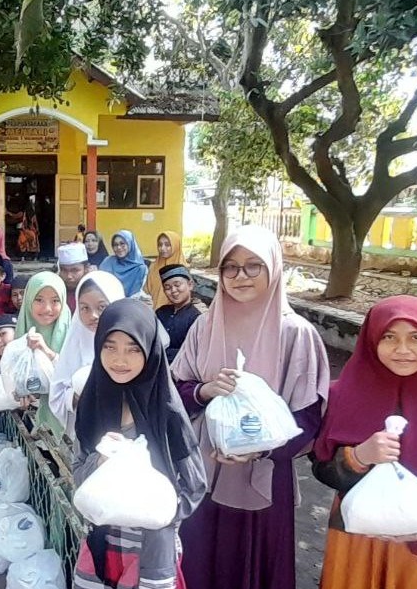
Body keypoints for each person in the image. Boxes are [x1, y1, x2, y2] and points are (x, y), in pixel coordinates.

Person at [171, 225, 330, 589]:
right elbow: (175, 390)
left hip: (264, 477)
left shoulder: (295, 333)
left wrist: (259, 449)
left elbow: (308, 416)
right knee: (200, 563)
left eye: (253, 265)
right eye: (230, 266)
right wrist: (205, 390)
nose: (240, 275)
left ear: (273, 267)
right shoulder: (205, 327)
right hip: (203, 472)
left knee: (253, 567)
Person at [72, 299, 207, 589]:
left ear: (150, 349)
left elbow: (194, 485)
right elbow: (78, 472)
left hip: (152, 550)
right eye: (110, 347)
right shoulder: (93, 406)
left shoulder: (166, 412)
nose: (120, 360)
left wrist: (159, 513)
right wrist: (100, 461)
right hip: (101, 541)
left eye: (133, 349)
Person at [312, 295, 417, 588]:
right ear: (371, 339)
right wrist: (358, 457)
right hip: (358, 540)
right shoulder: (343, 395)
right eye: (388, 336)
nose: (402, 350)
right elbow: (322, 468)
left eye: (416, 337)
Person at [50, 271, 125, 440]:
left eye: (102, 307)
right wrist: (78, 394)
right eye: (85, 308)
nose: (93, 316)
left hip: (125, 433)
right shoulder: (75, 343)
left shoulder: (131, 344)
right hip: (86, 431)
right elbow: (57, 393)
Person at [15, 272, 71, 437]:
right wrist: (20, 390)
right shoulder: (21, 335)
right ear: (28, 301)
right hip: (37, 422)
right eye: (39, 300)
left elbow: (73, 374)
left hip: (69, 424)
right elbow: (14, 378)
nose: (47, 309)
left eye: (55, 301)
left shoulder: (73, 333)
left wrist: (47, 352)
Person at [155, 265, 201, 362]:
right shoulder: (160, 312)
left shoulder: (197, 318)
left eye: (177, 285)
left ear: (190, 285)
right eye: (167, 287)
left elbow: (194, 352)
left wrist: (160, 354)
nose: (173, 291)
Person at [144, 231, 188, 310]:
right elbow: (147, 290)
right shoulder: (154, 266)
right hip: (153, 310)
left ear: (175, 246)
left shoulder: (182, 269)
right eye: (160, 245)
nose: (162, 248)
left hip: (175, 313)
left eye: (167, 245)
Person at [99, 230, 148, 297]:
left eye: (122, 243)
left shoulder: (141, 269)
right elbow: (99, 286)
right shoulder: (108, 262)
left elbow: (142, 294)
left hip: (132, 302)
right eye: (115, 245)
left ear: (130, 244)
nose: (119, 247)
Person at [57, 243, 90, 313]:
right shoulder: (55, 291)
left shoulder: (94, 292)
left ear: (86, 269)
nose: (69, 276)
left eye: (75, 270)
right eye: (64, 270)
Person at [17, 195, 40, 260]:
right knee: (33, 244)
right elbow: (35, 223)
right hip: (32, 231)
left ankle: (23, 257)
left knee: (23, 244)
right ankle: (34, 257)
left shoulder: (22, 213)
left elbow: (17, 218)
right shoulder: (33, 214)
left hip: (24, 231)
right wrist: (37, 230)